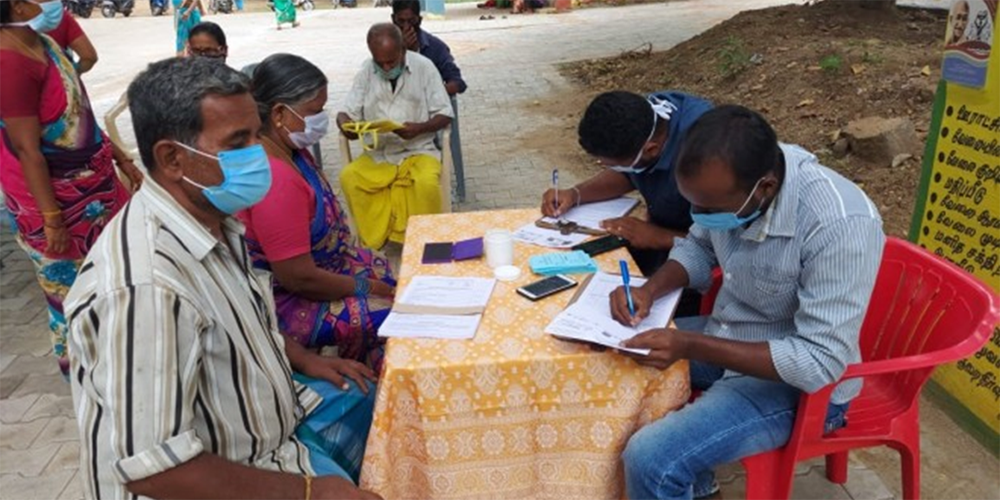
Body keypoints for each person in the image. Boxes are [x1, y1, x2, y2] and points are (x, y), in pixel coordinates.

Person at [65, 57, 383, 500]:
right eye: (239, 142)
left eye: (256, 134)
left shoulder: (210, 219)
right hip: (210, 479)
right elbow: (154, 470)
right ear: (172, 158)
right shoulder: (145, 290)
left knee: (375, 400)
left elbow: (241, 318)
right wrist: (313, 492)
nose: (259, 153)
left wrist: (306, 360)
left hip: (267, 433)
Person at [609, 106, 885, 500]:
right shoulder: (730, 185)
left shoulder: (839, 224)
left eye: (710, 210)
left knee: (651, 458)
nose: (699, 217)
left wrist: (689, 345)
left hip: (802, 389)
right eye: (694, 207)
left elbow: (819, 362)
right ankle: (699, 489)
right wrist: (649, 292)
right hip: (730, 333)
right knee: (620, 359)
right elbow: (698, 249)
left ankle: (679, 476)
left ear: (766, 188)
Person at [0, 0, 140, 377]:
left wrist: (119, 158)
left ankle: (127, 363)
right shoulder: (9, 60)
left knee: (117, 275)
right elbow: (28, 150)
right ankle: (90, 378)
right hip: (57, 203)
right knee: (72, 296)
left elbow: (81, 114)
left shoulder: (42, 42)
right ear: (16, 6)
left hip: (95, 188)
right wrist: (52, 220)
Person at [240, 53, 397, 372]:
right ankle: (379, 389)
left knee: (396, 276)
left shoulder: (289, 152)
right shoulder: (274, 182)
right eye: (315, 111)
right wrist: (367, 288)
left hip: (322, 270)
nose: (322, 118)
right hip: (290, 301)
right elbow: (299, 279)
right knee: (397, 315)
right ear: (280, 113)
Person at [541, 90, 712, 315]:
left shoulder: (706, 154)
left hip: (706, 268)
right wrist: (575, 194)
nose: (604, 166)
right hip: (671, 243)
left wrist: (658, 237)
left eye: (611, 163)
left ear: (651, 149)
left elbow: (722, 243)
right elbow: (630, 173)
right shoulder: (645, 121)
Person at [337, 23, 453, 249]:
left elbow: (445, 114)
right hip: (379, 155)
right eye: (379, 62)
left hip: (418, 151)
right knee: (349, 177)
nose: (386, 67)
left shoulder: (424, 67)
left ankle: (429, 242)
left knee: (426, 183)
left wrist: (418, 128)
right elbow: (345, 112)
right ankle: (374, 242)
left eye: (391, 61)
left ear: (402, 50)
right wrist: (346, 126)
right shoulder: (366, 71)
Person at [391, 0, 468, 198]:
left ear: (420, 20)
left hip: (427, 114)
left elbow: (458, 82)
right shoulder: (386, 47)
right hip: (394, 111)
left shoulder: (435, 47)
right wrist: (402, 53)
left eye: (412, 22)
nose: (407, 27)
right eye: (401, 22)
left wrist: (434, 92)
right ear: (393, 20)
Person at [43, 0, 99, 73]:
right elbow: (89, 57)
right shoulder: (59, 16)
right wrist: (71, 74)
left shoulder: (24, 21)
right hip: (60, 80)